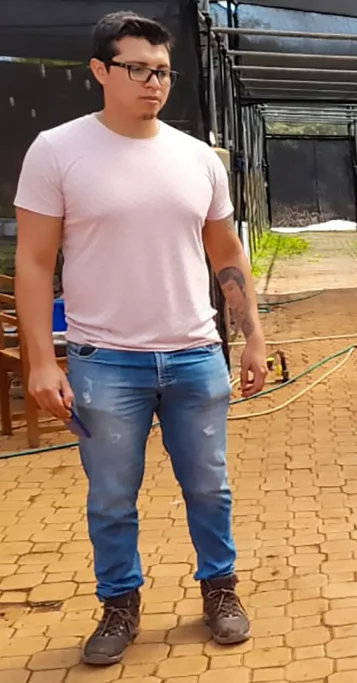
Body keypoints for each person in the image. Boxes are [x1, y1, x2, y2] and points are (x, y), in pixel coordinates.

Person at [14, 11, 267, 665]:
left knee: (210, 486)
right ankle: (119, 602)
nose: (153, 82)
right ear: (100, 71)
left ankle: (220, 589)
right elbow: (36, 262)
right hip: (106, 361)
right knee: (111, 496)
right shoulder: (57, 152)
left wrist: (253, 338)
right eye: (137, 69)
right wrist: (42, 361)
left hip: (194, 353)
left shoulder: (197, 159)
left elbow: (226, 254)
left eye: (162, 71)